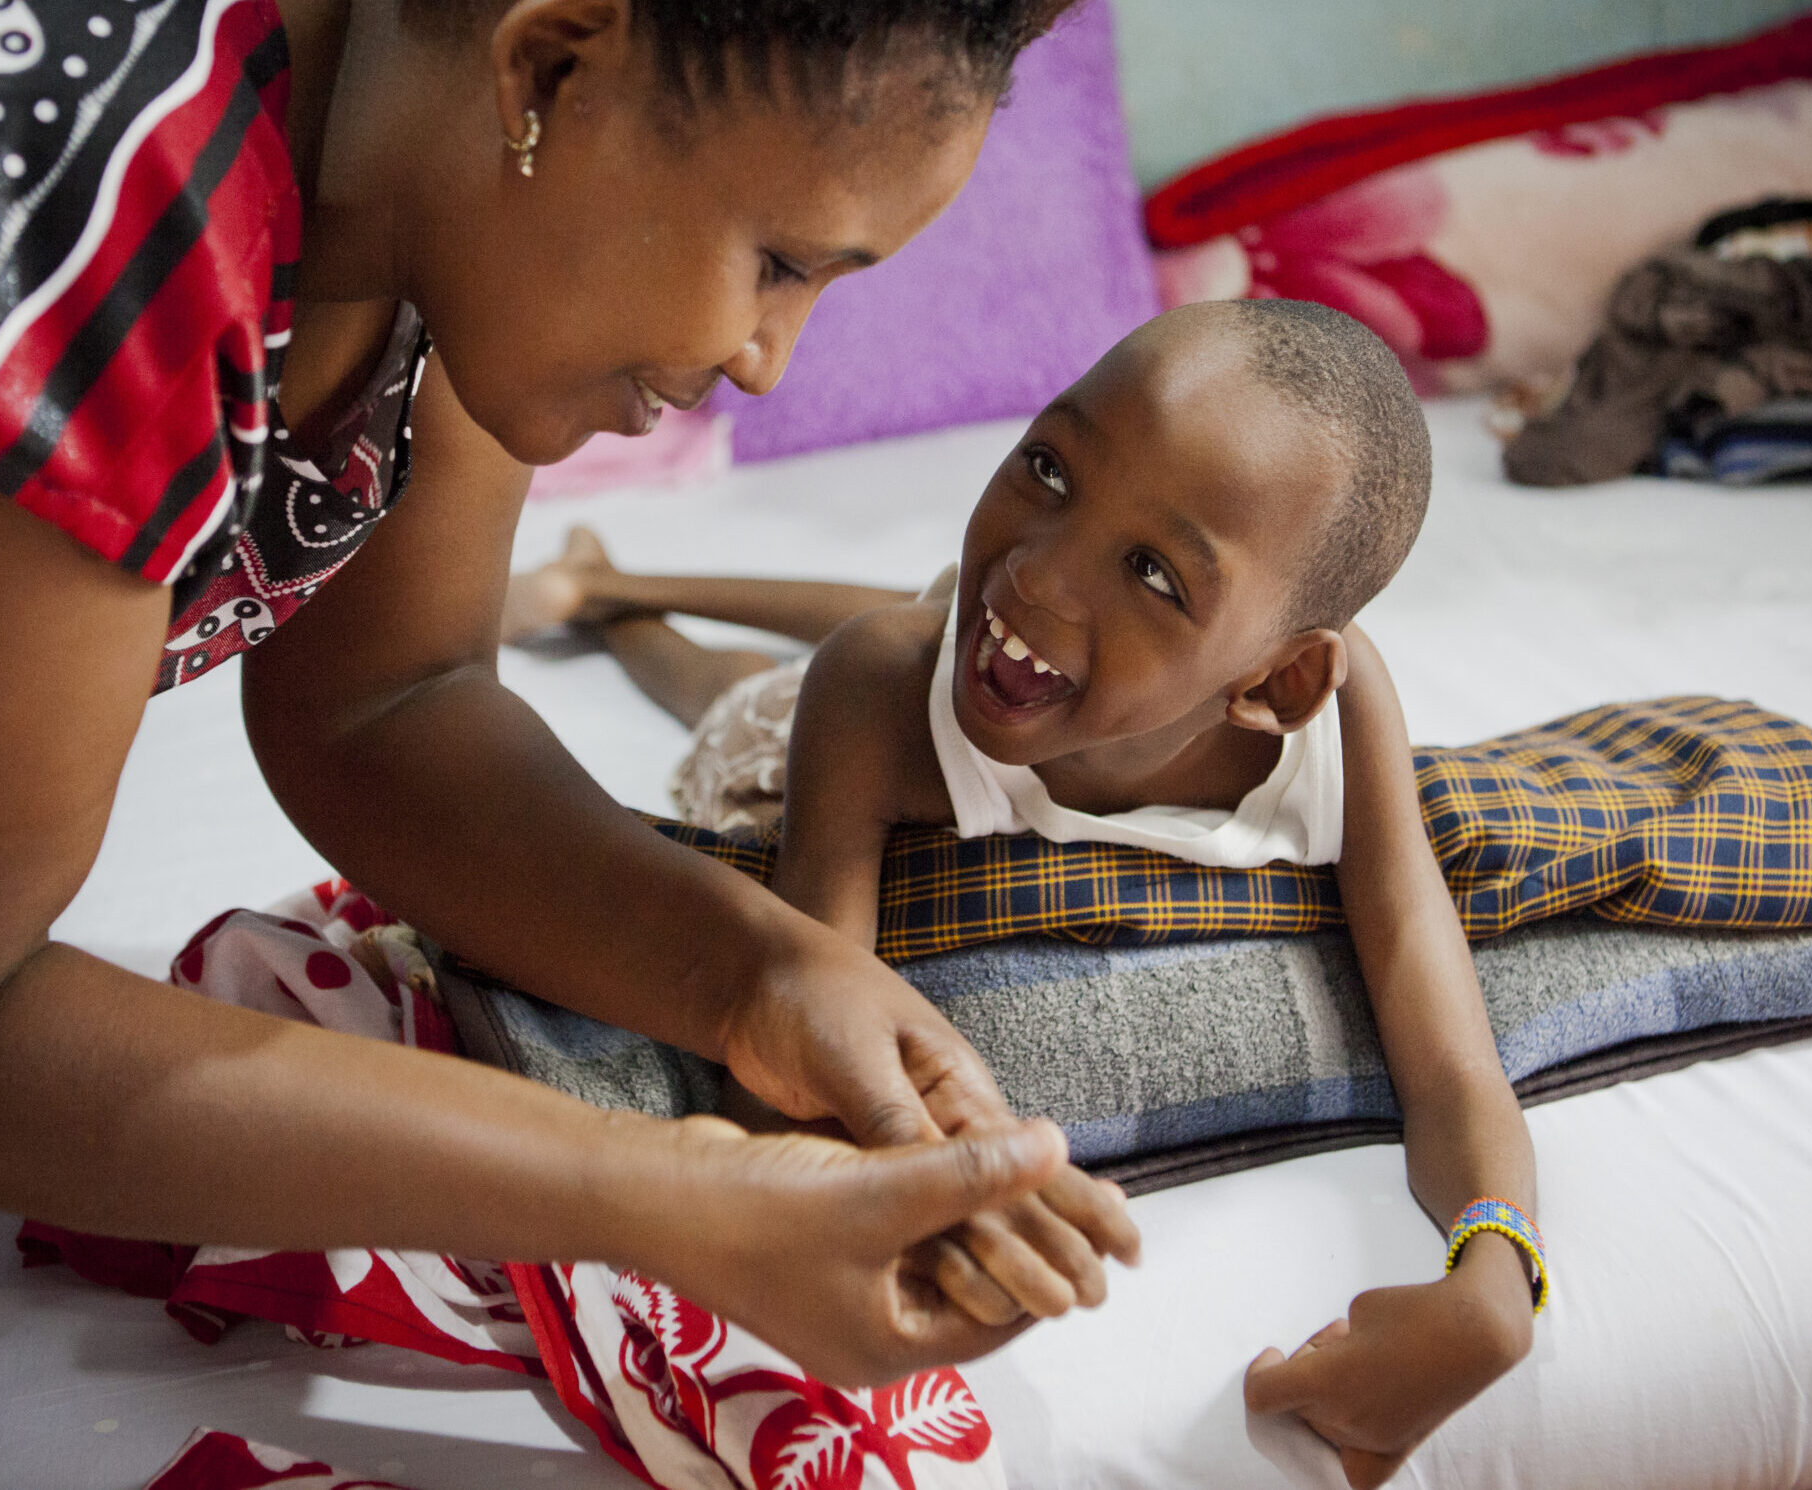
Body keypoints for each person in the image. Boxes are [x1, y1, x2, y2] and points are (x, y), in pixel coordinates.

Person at [0, 0, 1145, 1481]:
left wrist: (763, 975)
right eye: (781, 261)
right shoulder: (76, 159)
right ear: (550, 64)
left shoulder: (436, 192)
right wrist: (668, 1204)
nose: (764, 363)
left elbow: (386, 707)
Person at [508, 300, 1544, 1489]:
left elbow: (1446, 1048)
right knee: (730, 683)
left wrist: (1494, 1281)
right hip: (820, 729)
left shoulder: (1341, 716)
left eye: (1153, 572)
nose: (1041, 568)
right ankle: (614, 596)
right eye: (1049, 466)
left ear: (1280, 679)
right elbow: (790, 1064)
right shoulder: (880, 691)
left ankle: (605, 578)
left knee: (949, 609)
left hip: (988, 658)